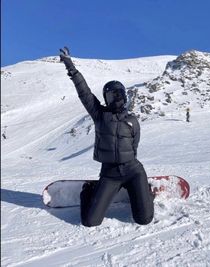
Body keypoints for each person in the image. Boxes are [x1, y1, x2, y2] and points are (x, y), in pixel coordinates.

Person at [59, 47, 154, 227]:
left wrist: (127, 161)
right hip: (110, 174)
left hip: (133, 171)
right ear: (106, 98)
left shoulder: (132, 121)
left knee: (144, 220)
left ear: (125, 96)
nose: (116, 98)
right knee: (90, 221)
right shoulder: (100, 115)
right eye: (111, 95)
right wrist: (70, 67)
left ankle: (145, 192)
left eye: (119, 94)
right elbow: (84, 92)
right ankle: (91, 191)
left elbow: (135, 145)